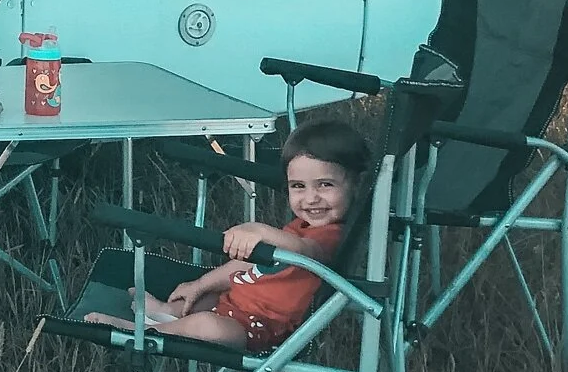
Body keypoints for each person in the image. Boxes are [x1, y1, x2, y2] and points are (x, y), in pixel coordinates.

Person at [87, 118, 371, 352]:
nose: (311, 199)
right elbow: (251, 264)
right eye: (298, 186)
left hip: (257, 329)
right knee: (201, 300)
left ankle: (146, 331)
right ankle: (165, 309)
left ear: (357, 186)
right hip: (235, 303)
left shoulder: (331, 237)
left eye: (325, 184)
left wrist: (260, 230)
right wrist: (200, 283)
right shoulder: (303, 225)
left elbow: (305, 252)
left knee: (207, 326)